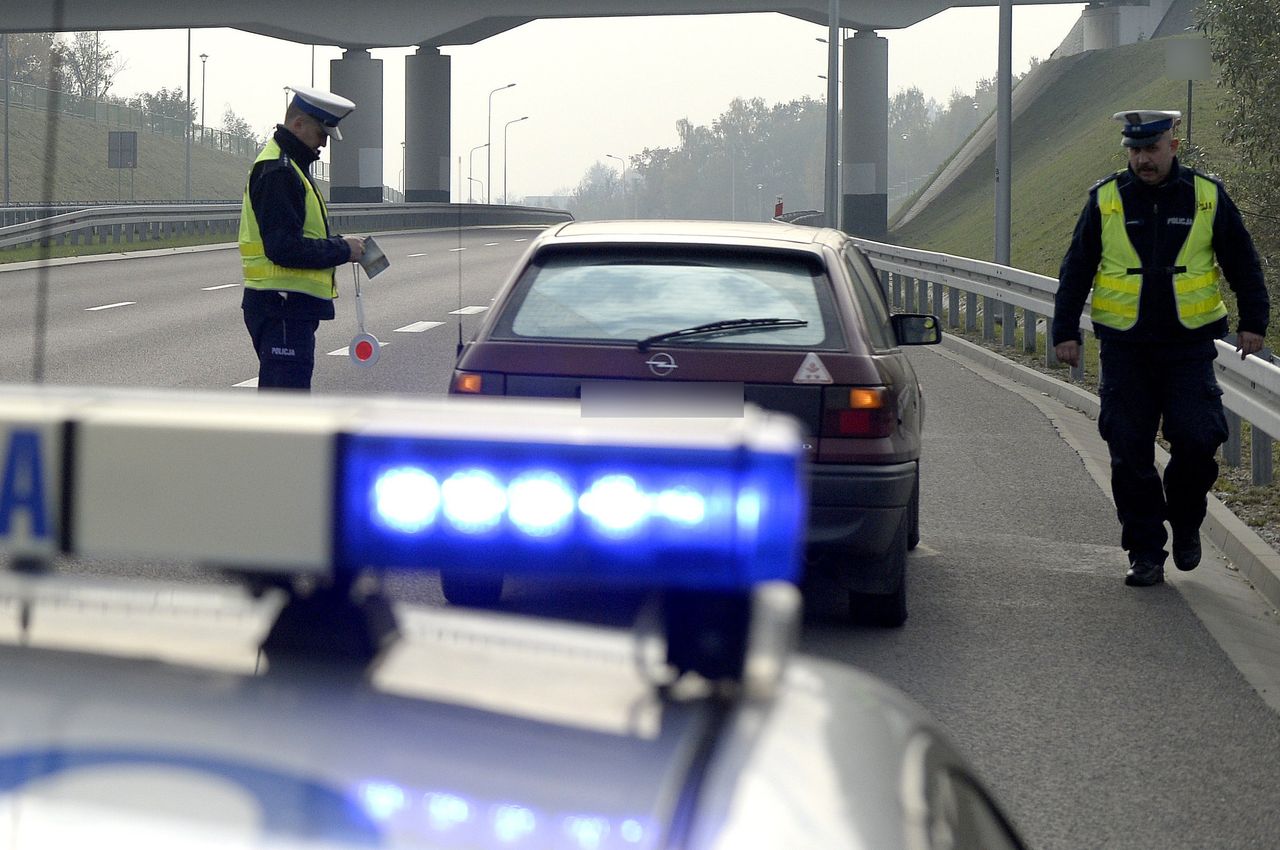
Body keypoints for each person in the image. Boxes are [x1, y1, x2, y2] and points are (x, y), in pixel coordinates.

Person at [1053, 109, 1270, 588]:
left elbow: (1242, 261)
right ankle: (1145, 551)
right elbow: (1077, 267)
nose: (1142, 160)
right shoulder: (1106, 198)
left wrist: (1254, 322)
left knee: (1198, 440)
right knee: (1128, 451)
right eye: (1134, 150)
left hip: (1187, 347)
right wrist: (1064, 330)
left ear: (1173, 146)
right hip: (1125, 349)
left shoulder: (1207, 196)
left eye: (1150, 149)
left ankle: (1186, 518)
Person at [239, 85, 366, 391]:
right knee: (285, 406)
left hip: (284, 306)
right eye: (321, 133)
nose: (323, 143)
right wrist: (342, 249)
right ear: (298, 125)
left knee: (285, 401)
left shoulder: (290, 166)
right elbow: (283, 247)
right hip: (282, 306)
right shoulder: (280, 172)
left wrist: (340, 243)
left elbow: (298, 235)